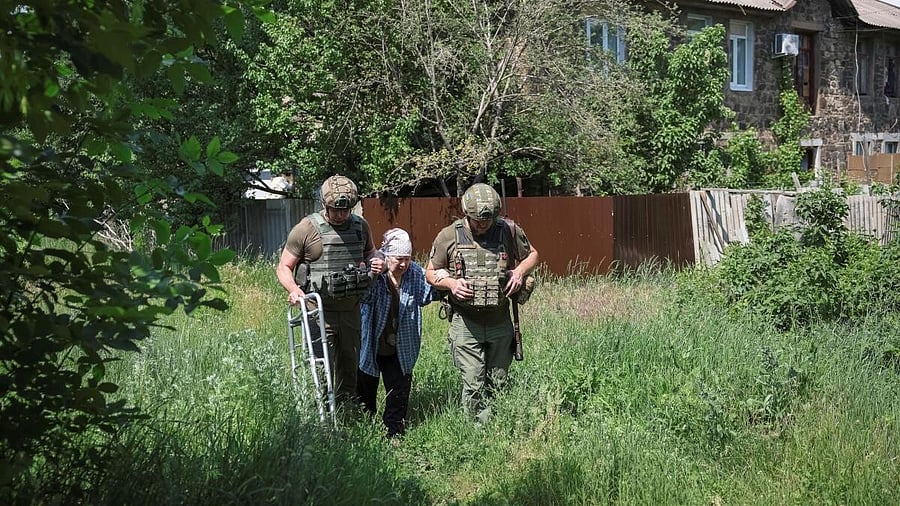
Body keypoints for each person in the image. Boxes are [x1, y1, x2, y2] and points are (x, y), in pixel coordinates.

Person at [425, 183, 539, 425]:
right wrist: (452, 284)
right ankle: (477, 430)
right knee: (473, 381)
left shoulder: (508, 230)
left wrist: (519, 272)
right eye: (477, 221)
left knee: (498, 379)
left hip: (500, 320)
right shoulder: (449, 235)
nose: (482, 225)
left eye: (487, 220)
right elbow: (431, 271)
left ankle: (498, 425)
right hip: (466, 323)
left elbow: (532, 255)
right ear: (467, 214)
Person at [276, 174, 385, 404]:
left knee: (350, 368)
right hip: (318, 313)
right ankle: (321, 419)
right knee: (319, 368)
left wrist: (377, 261)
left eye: (345, 210)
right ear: (324, 205)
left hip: (351, 311)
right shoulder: (306, 228)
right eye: (335, 210)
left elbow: (371, 253)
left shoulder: (360, 226)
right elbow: (284, 267)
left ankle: (347, 415)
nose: (340, 215)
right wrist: (294, 289)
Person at [358, 228, 435, 438]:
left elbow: (429, 294)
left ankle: (395, 434)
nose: (404, 264)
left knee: (398, 391)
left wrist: (442, 276)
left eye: (407, 259)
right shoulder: (376, 275)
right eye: (399, 259)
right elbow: (363, 297)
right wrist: (374, 273)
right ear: (388, 256)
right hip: (373, 342)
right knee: (366, 390)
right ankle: (365, 431)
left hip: (401, 345)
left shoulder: (415, 273)